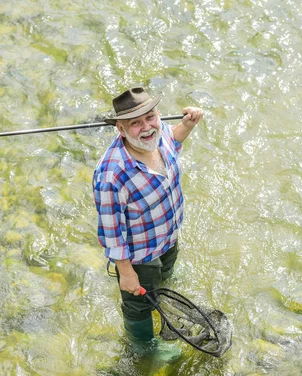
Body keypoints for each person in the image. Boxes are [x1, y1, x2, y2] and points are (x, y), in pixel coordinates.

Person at [92, 87, 203, 359]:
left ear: (158, 115)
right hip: (139, 256)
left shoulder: (160, 132)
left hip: (168, 235)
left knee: (165, 273)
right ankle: (144, 349)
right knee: (138, 305)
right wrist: (126, 273)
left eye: (150, 117)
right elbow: (111, 233)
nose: (146, 127)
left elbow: (173, 141)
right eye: (135, 123)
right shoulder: (111, 175)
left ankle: (163, 282)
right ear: (120, 128)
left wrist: (187, 126)